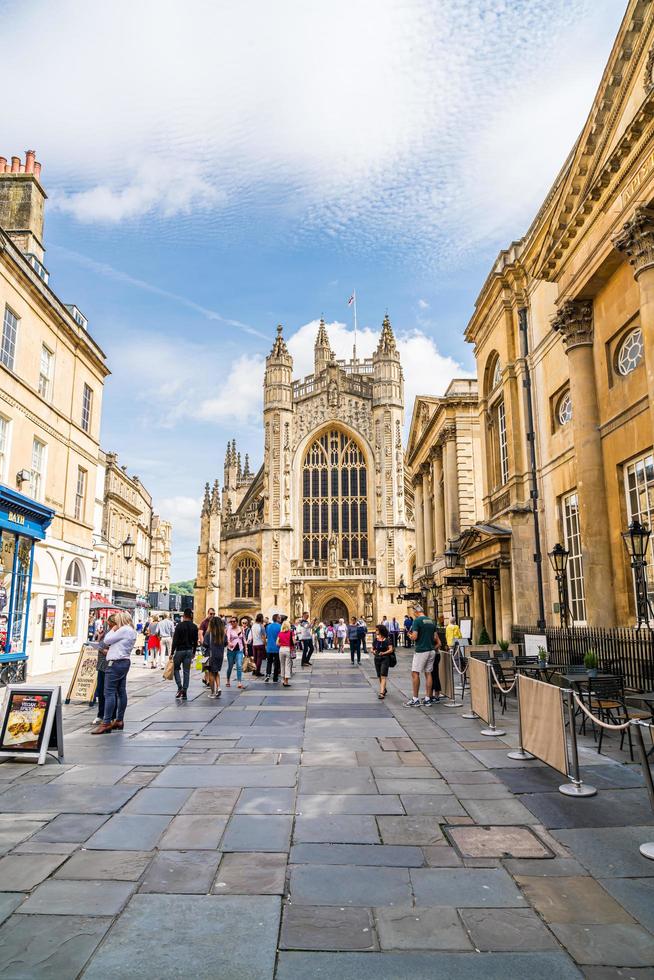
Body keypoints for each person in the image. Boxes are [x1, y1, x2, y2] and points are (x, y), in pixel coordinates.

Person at [91, 611, 136, 734]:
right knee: (121, 691)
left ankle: (106, 723)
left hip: (115, 664)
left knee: (109, 693)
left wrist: (114, 629)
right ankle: (119, 720)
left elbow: (107, 640)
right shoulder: (131, 630)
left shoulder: (123, 630)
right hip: (124, 662)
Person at [406, 604, 439, 706]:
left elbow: (415, 637)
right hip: (431, 650)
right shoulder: (431, 621)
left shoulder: (417, 621)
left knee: (415, 673)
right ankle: (428, 698)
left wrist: (410, 636)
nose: (414, 615)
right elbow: (434, 638)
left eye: (414, 612)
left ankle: (415, 699)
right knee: (428, 673)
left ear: (416, 612)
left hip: (421, 650)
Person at [171, 608, 198, 701]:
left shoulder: (179, 626)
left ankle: (179, 687)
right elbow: (195, 642)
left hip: (179, 651)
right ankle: (185, 691)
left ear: (184, 616)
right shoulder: (194, 627)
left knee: (175, 669)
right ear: (190, 616)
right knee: (186, 672)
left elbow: (175, 641)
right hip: (189, 650)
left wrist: (171, 652)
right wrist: (194, 652)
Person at [202, 615, 225, 698]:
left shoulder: (209, 633)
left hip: (211, 655)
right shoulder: (222, 633)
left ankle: (212, 692)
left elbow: (205, 644)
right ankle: (218, 688)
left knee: (211, 673)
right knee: (216, 672)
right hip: (220, 655)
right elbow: (225, 643)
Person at [373, 622, 392, 699]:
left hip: (385, 659)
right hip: (377, 658)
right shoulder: (376, 639)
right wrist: (373, 651)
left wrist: (384, 653)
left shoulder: (387, 640)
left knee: (383, 675)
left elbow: (391, 650)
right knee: (379, 676)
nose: (376, 631)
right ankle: (384, 688)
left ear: (381, 631)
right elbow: (373, 648)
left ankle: (381, 693)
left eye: (377, 630)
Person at [226, 617, 245, 688]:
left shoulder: (241, 628)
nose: (232, 623)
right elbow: (227, 638)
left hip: (239, 649)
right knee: (230, 666)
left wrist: (246, 649)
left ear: (237, 622)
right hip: (231, 650)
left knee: (239, 666)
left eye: (234, 621)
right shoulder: (229, 629)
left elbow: (244, 638)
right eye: (231, 621)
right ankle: (228, 680)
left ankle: (239, 682)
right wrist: (229, 642)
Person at [265, 613, 281, 683]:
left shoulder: (268, 626)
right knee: (276, 663)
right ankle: (275, 678)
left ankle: (268, 674)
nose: (280, 619)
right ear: (277, 618)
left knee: (269, 662)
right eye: (279, 618)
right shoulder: (280, 626)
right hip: (277, 647)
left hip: (269, 647)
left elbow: (267, 635)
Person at [277, 617, 293, 687]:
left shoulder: (280, 633)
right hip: (288, 649)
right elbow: (294, 641)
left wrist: (282, 644)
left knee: (282, 665)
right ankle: (286, 681)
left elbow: (277, 643)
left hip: (281, 649)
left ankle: (283, 680)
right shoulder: (290, 633)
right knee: (288, 665)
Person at [251, 612, 266, 676]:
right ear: (261, 618)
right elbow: (263, 636)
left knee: (255, 658)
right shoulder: (261, 626)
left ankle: (254, 671)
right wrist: (265, 644)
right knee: (259, 658)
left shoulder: (253, 625)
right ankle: (258, 671)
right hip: (260, 643)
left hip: (254, 644)